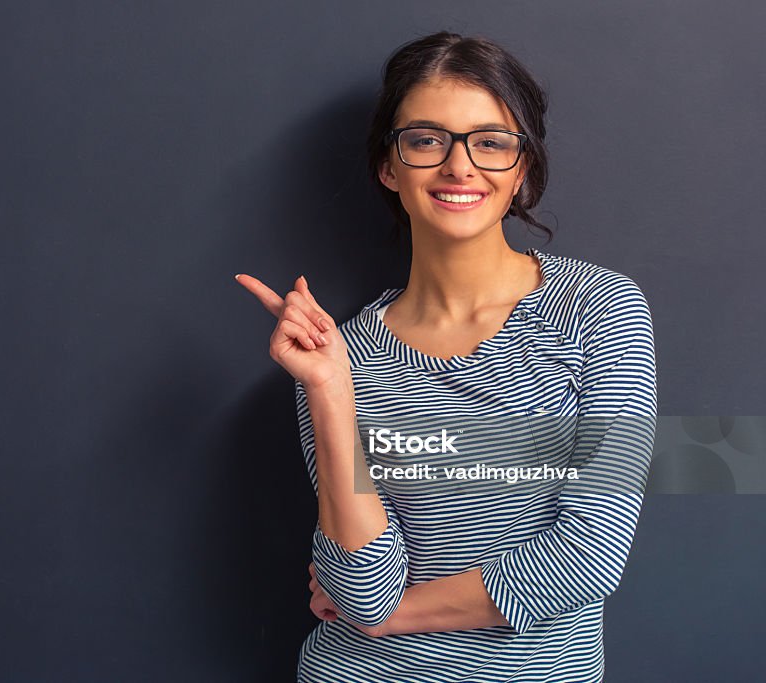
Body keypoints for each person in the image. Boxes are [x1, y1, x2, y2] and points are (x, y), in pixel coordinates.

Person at [235, 31, 657, 682]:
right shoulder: (336, 357)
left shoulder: (598, 309)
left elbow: (590, 555)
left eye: (489, 141)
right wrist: (330, 389)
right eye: (427, 140)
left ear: (522, 167)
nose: (459, 167)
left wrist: (383, 616)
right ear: (389, 165)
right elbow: (363, 587)